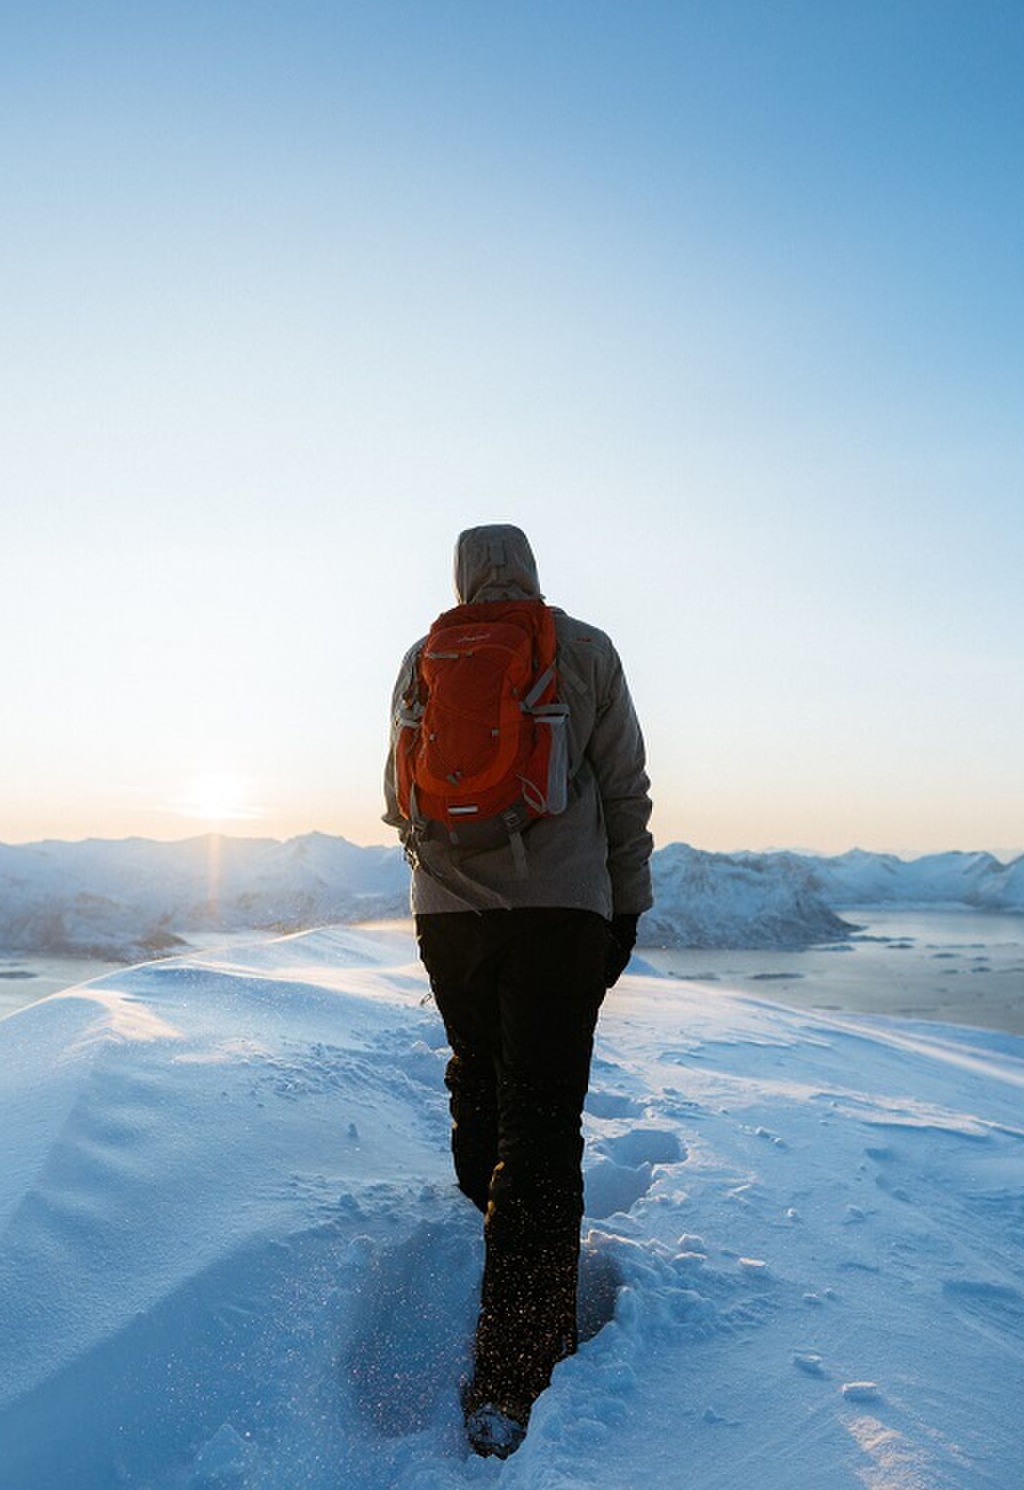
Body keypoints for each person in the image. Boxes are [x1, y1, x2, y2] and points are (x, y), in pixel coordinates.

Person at [382, 523, 655, 1458]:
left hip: (449, 919)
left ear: (460, 577)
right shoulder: (582, 649)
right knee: (541, 1125)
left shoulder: (425, 657)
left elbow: (396, 793)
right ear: (533, 568)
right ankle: (517, 1370)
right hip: (559, 914)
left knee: (483, 1080)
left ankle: (484, 1245)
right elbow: (624, 788)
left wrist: (450, 885)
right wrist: (622, 911)